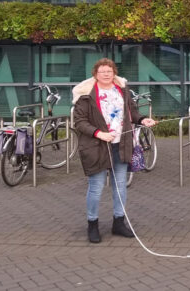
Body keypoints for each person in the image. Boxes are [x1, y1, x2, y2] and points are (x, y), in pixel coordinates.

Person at [72, 58, 156, 243]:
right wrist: (99, 133)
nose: (106, 74)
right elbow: (80, 122)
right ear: (95, 74)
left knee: (120, 186)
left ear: (114, 73)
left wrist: (142, 120)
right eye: (102, 71)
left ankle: (119, 222)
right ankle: (92, 224)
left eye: (109, 71)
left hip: (121, 144)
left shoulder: (122, 90)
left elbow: (132, 113)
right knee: (96, 187)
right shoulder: (85, 94)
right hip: (97, 146)